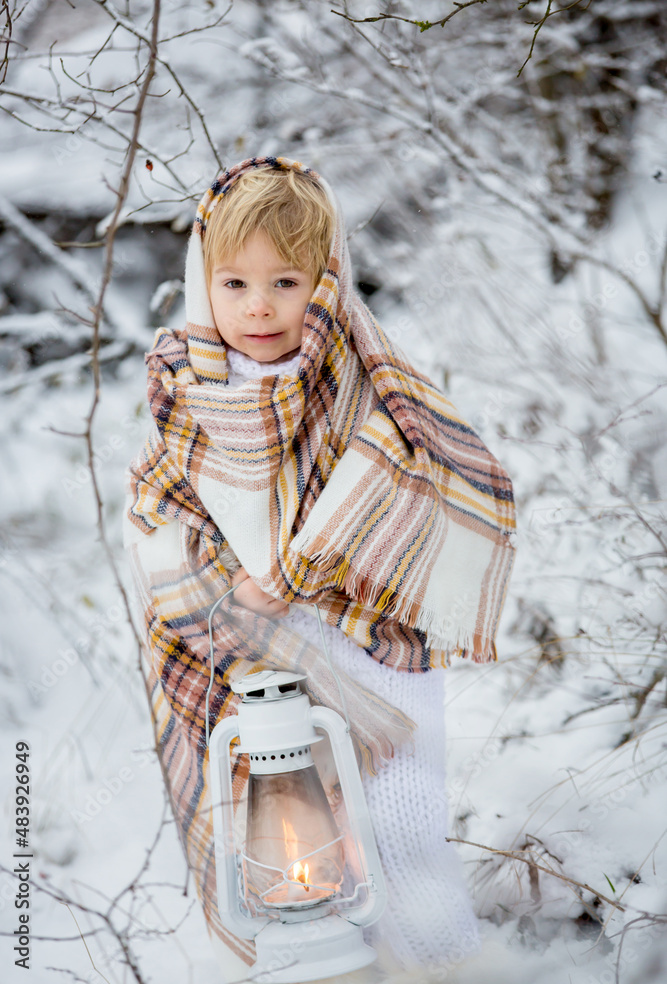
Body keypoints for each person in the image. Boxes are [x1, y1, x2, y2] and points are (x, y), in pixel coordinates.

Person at [123, 155, 517, 982]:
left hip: (370, 630)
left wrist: (298, 567)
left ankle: (447, 963)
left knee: (402, 816)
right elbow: (159, 512)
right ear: (203, 283)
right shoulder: (186, 390)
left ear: (327, 280)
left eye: (285, 281)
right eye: (232, 284)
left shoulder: (361, 375)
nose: (258, 306)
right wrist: (231, 581)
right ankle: (343, 966)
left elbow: (414, 475)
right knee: (302, 824)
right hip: (260, 642)